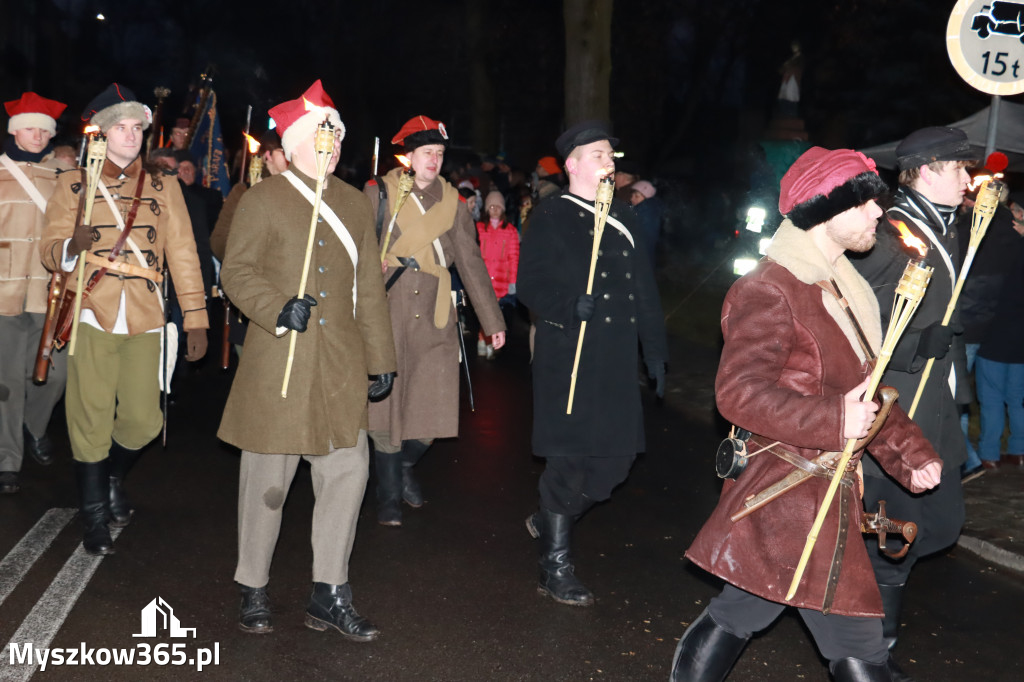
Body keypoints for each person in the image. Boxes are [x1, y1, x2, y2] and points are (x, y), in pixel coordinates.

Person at [676, 147, 943, 681]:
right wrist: (831, 420)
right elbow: (738, 394)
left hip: (829, 496)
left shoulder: (847, 289)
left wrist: (910, 455)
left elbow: (868, 392)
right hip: (787, 493)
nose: (877, 214)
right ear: (826, 206)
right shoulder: (769, 289)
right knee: (849, 638)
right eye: (866, 203)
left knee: (747, 613)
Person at [217, 80, 397, 639]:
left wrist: (380, 357)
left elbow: (368, 286)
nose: (331, 145)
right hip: (281, 362)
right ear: (293, 145)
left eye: (337, 136)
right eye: (321, 135)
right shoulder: (263, 198)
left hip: (340, 363)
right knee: (267, 484)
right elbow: (236, 271)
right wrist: (276, 308)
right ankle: (253, 586)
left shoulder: (351, 202)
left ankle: (329, 590)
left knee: (348, 472)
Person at [40, 83, 209, 554]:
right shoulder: (72, 183)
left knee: (143, 420)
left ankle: (112, 474)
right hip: (91, 307)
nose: (132, 136)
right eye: (122, 127)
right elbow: (48, 251)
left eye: (137, 127)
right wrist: (70, 247)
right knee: (89, 417)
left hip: (145, 312)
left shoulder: (164, 185)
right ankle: (93, 515)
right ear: (102, 132)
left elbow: (183, 254)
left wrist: (196, 317)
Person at [517, 120, 667, 607]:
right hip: (570, 356)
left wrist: (656, 352)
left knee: (616, 462)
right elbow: (531, 286)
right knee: (570, 460)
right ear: (573, 164)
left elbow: (644, 290)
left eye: (611, 156)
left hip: (616, 360)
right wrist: (566, 305)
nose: (609, 163)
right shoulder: (551, 215)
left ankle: (548, 517)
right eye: (600, 155)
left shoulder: (623, 216)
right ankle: (554, 567)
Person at [849, 126, 976, 652]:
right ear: (925, 170)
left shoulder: (947, 229)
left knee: (941, 523)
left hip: (937, 402)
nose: (969, 181)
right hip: (898, 406)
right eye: (958, 169)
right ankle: (876, 644)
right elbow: (854, 323)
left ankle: (872, 615)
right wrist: (917, 345)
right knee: (895, 530)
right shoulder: (889, 233)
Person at [366, 115, 506, 527]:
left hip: (435, 314)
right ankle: (388, 496)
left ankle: (405, 466)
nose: (434, 160)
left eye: (440, 153)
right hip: (387, 310)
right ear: (407, 155)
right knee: (386, 411)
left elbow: (471, 262)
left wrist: (491, 319)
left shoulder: (454, 203)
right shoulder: (378, 193)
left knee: (432, 412)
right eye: (427, 152)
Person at [0, 91, 72, 494]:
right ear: (14, 130)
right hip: (3, 296)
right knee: (6, 382)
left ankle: (33, 427)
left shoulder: (61, 180)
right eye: (30, 127)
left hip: (48, 294)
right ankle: (7, 460)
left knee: (56, 375)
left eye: (44, 130)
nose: (38, 135)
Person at [475, 190, 519, 358]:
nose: (494, 210)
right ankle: (483, 338)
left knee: (496, 313)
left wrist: (512, 281)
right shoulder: (479, 228)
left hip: (501, 279)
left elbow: (514, 256)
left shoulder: (511, 231)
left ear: (503, 209)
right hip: (483, 278)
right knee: (484, 311)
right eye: (491, 206)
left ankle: (492, 342)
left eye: (498, 207)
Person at [628, 179, 664, 268]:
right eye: (632, 195)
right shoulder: (650, 210)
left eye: (637, 196)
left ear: (646, 198)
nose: (632, 198)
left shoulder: (644, 211)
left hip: (641, 258)